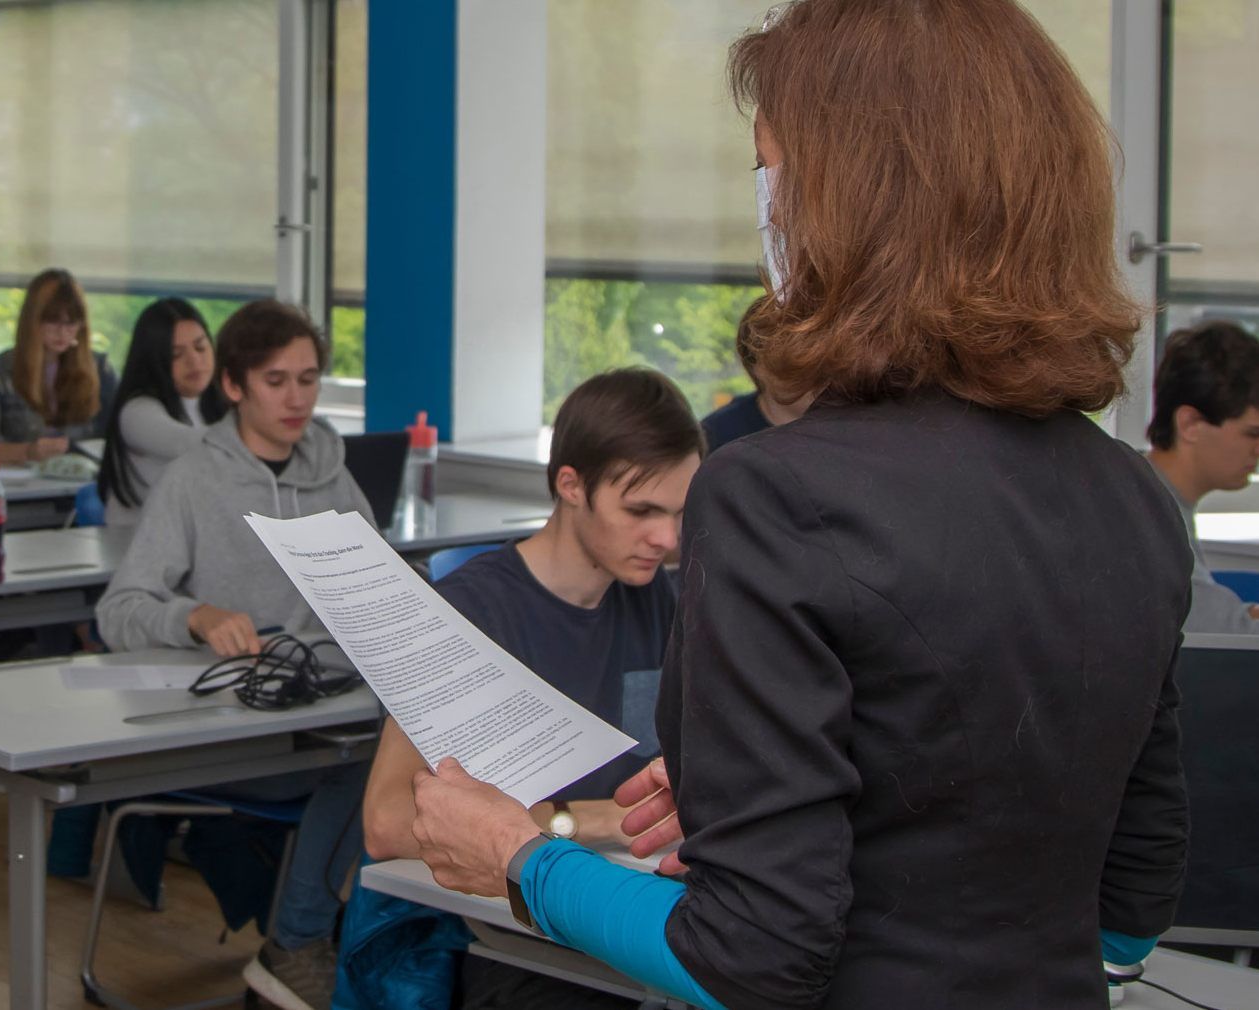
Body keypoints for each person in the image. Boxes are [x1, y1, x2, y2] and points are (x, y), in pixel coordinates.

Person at [404, 3, 1192, 1009]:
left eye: (768, 168)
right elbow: (1128, 908)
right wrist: (779, 801)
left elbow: (750, 959)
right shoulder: (1136, 502)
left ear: (850, 195)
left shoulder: (776, 494)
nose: (766, 207)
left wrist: (519, 856)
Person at [353, 368, 703, 1008]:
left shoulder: (666, 600)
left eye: (681, 514)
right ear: (569, 484)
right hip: (517, 930)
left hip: (632, 900)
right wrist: (589, 822)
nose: (668, 539)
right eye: (641, 511)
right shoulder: (466, 613)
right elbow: (387, 823)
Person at [96, 299, 374, 1010]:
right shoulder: (194, 478)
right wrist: (196, 615)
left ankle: (344, 938)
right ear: (233, 387)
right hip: (229, 729)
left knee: (405, 749)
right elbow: (117, 611)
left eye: (308, 379)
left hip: (319, 706)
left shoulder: (331, 475)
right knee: (370, 764)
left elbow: (374, 583)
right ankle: (300, 940)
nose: (296, 399)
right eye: (275, 380)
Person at [1146, 320, 1259, 633]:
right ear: (1190, 423)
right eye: (1252, 434)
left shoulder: (1161, 498)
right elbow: (1213, 630)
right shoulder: (1148, 513)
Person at [0, 268, 117, 463]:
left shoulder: (100, 370)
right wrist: (28, 452)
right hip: (16, 483)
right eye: (53, 322)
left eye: (71, 323)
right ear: (32, 321)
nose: (62, 332)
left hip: (82, 481)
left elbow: (120, 434)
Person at [98, 297, 227, 526]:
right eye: (176, 354)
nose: (195, 361)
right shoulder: (136, 412)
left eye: (200, 347)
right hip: (135, 548)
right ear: (153, 360)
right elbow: (189, 443)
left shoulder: (220, 404)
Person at [701, 295, 813, 451]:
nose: (810, 368)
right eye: (788, 359)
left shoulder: (846, 426)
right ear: (755, 365)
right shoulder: (716, 435)